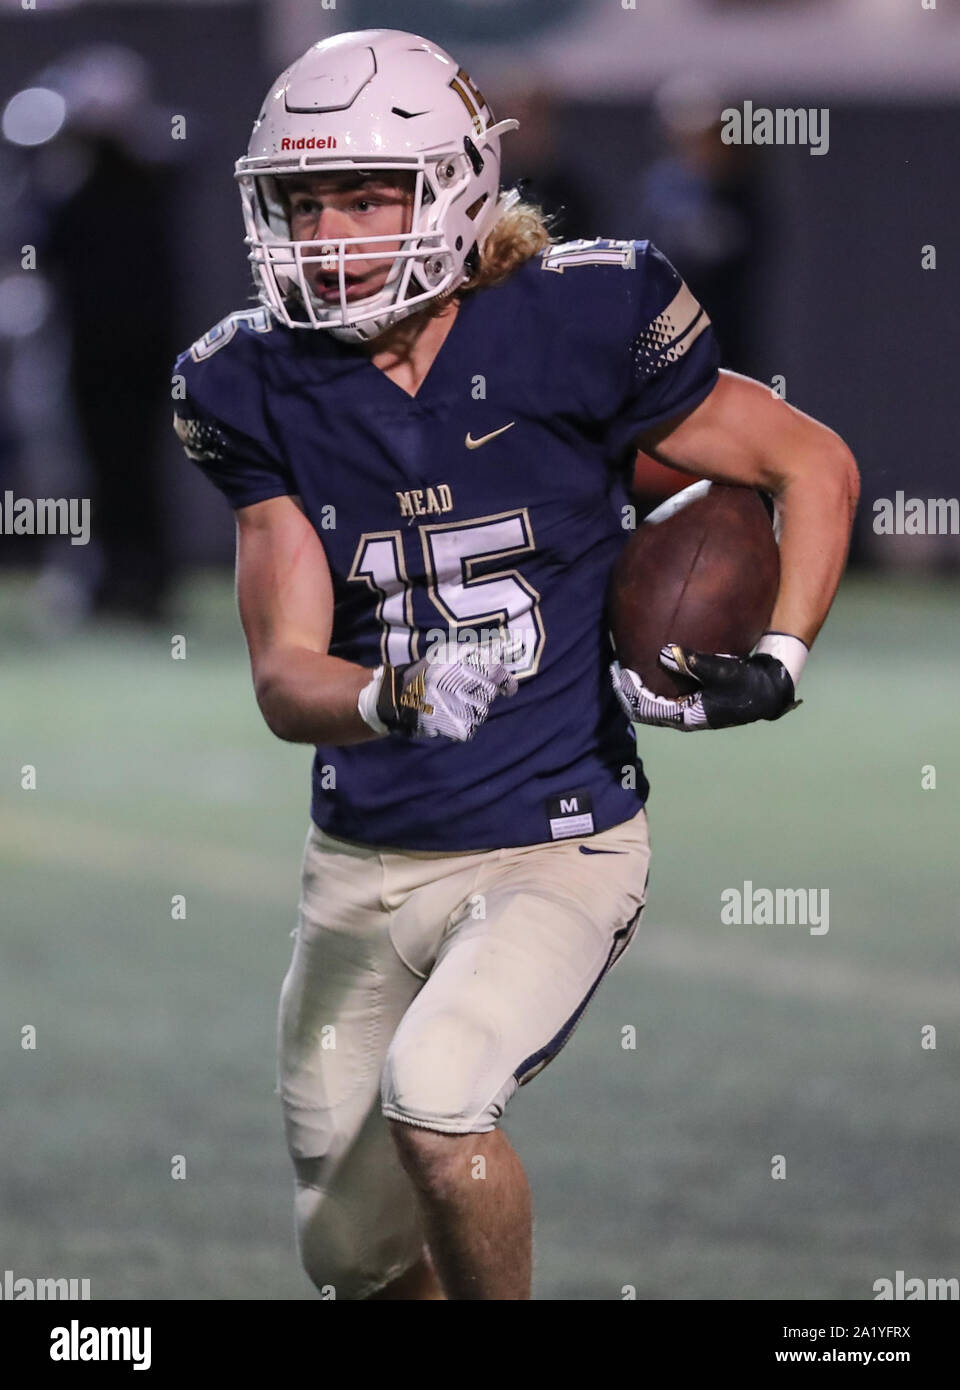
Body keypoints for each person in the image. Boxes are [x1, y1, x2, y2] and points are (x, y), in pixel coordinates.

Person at [172, 28, 859, 1301]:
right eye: (304, 201)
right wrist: (397, 693)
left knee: (439, 1098)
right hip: (364, 858)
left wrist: (777, 656)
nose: (329, 234)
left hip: (558, 837)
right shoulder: (248, 382)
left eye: (366, 193)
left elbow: (809, 461)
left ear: (454, 186)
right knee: (351, 1253)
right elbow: (285, 678)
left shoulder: (582, 314)